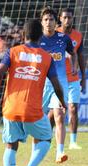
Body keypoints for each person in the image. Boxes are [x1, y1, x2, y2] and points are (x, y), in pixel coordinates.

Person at [0, 19, 66, 166]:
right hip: (32, 111)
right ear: (40, 36)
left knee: (11, 146)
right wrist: (62, 101)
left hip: (10, 108)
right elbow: (56, 84)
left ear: (24, 35)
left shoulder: (13, 52)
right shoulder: (46, 57)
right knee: (45, 139)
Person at [40, 6, 76, 163]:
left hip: (60, 84)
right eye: (46, 20)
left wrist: (73, 66)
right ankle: (38, 146)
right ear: (42, 22)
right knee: (36, 118)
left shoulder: (63, 38)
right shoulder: (36, 40)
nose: (49, 22)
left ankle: (60, 152)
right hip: (40, 84)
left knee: (59, 116)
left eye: (51, 20)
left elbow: (73, 53)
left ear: (57, 22)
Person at [56, 8, 86, 149]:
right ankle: (47, 137)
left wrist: (83, 78)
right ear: (60, 19)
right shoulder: (54, 33)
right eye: (65, 17)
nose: (68, 20)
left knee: (73, 108)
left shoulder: (78, 36)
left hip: (74, 78)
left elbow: (80, 57)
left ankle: (73, 142)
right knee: (55, 112)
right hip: (57, 78)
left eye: (70, 17)